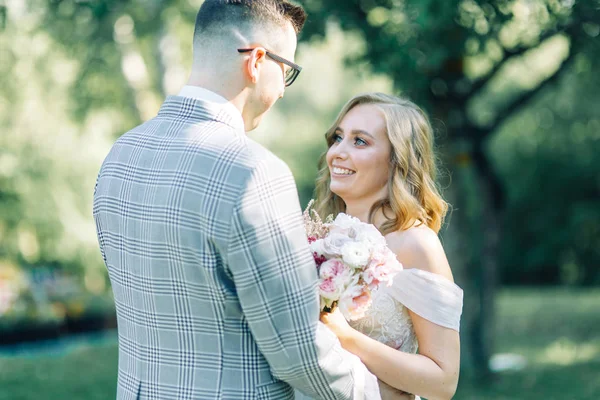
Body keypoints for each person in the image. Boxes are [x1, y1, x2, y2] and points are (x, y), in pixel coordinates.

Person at [93, 1, 380, 399]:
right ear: (257, 61)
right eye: (287, 72)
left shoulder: (120, 155)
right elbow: (296, 349)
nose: (282, 90)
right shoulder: (253, 172)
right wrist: (372, 390)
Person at [314, 93, 463, 400]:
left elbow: (443, 382)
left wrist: (344, 335)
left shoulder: (416, 244)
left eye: (359, 142)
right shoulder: (319, 235)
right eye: (338, 138)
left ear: (397, 159)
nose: (337, 153)